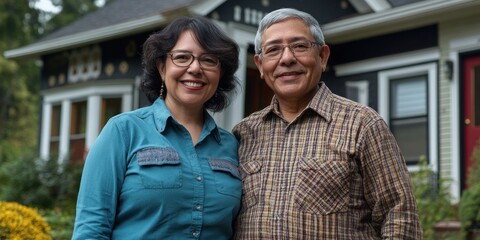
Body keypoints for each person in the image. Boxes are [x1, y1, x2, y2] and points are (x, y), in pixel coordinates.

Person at [232, 8, 422, 239]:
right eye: (273, 50)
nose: (287, 58)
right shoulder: (244, 133)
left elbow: (399, 215)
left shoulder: (362, 124)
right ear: (260, 65)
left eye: (300, 46)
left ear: (322, 57)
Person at [72, 16, 241, 239]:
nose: (195, 68)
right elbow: (91, 229)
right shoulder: (123, 131)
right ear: (162, 68)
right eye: (182, 57)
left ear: (220, 74)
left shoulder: (231, 145)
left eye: (209, 60)